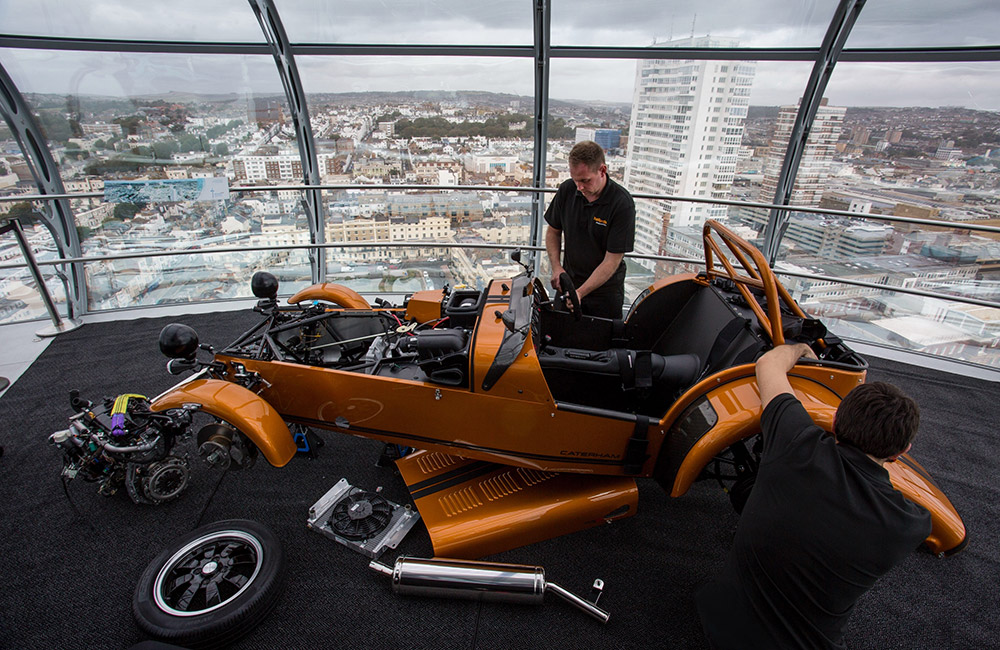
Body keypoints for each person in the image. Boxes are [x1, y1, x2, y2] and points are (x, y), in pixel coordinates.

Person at [696, 343, 932, 649]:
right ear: (902, 452)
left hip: (718, 623)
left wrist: (802, 349)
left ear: (833, 422)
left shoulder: (794, 441)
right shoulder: (910, 525)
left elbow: (769, 363)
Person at [544, 140, 635, 320]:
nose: (579, 187)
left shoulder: (622, 204)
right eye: (575, 180)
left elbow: (612, 260)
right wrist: (556, 268)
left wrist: (581, 292)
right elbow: (553, 231)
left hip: (604, 293)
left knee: (601, 345)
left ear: (602, 170)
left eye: (585, 181)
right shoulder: (567, 190)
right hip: (569, 283)